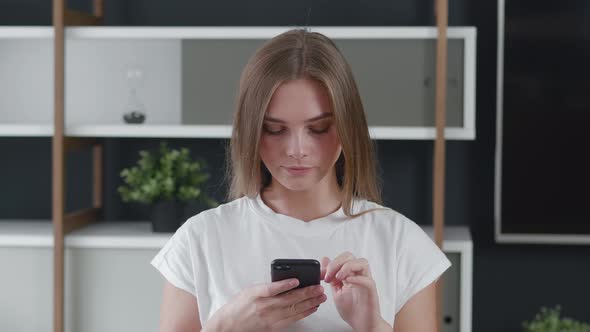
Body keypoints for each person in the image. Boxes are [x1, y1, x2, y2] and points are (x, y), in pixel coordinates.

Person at [151, 28, 451, 332]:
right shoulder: (198, 241)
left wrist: (372, 326)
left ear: (349, 126)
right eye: (274, 130)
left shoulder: (402, 244)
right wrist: (224, 327)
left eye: (318, 128)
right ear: (251, 131)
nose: (296, 151)